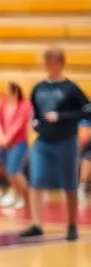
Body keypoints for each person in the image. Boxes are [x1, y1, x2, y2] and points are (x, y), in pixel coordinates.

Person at [18, 47, 91, 242]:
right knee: (36, 180)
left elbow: (87, 111)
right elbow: (34, 110)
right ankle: (36, 223)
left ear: (60, 63)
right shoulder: (39, 87)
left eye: (50, 61)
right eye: (46, 61)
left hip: (66, 141)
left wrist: (62, 117)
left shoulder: (71, 89)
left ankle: (72, 224)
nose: (47, 65)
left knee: (69, 184)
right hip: (43, 141)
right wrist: (35, 121)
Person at [0, 82, 31, 212]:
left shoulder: (24, 105)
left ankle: (25, 197)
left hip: (18, 142)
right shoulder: (3, 103)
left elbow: (20, 123)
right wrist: (0, 137)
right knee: (8, 170)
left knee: (15, 169)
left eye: (7, 89)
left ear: (14, 90)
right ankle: (15, 194)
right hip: (4, 143)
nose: (4, 91)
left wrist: (7, 138)